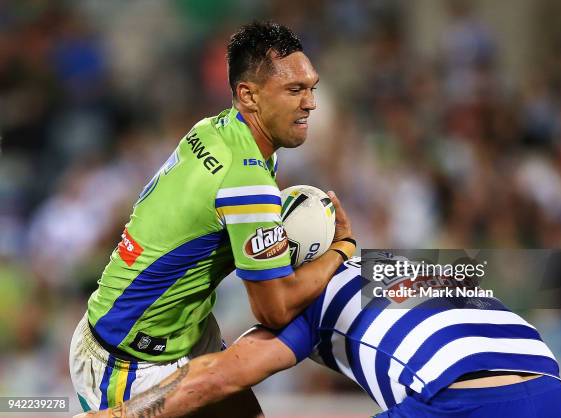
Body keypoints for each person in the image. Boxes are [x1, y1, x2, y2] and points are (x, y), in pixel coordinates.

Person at [69, 21, 356, 415]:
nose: (311, 103)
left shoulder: (214, 129)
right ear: (248, 95)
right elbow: (273, 309)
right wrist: (340, 249)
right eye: (295, 90)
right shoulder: (246, 180)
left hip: (173, 332)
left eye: (311, 88)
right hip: (129, 364)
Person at [80, 255, 561, 418]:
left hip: (457, 402)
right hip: (552, 392)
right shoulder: (401, 262)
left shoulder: (308, 299)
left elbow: (217, 380)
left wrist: (116, 415)